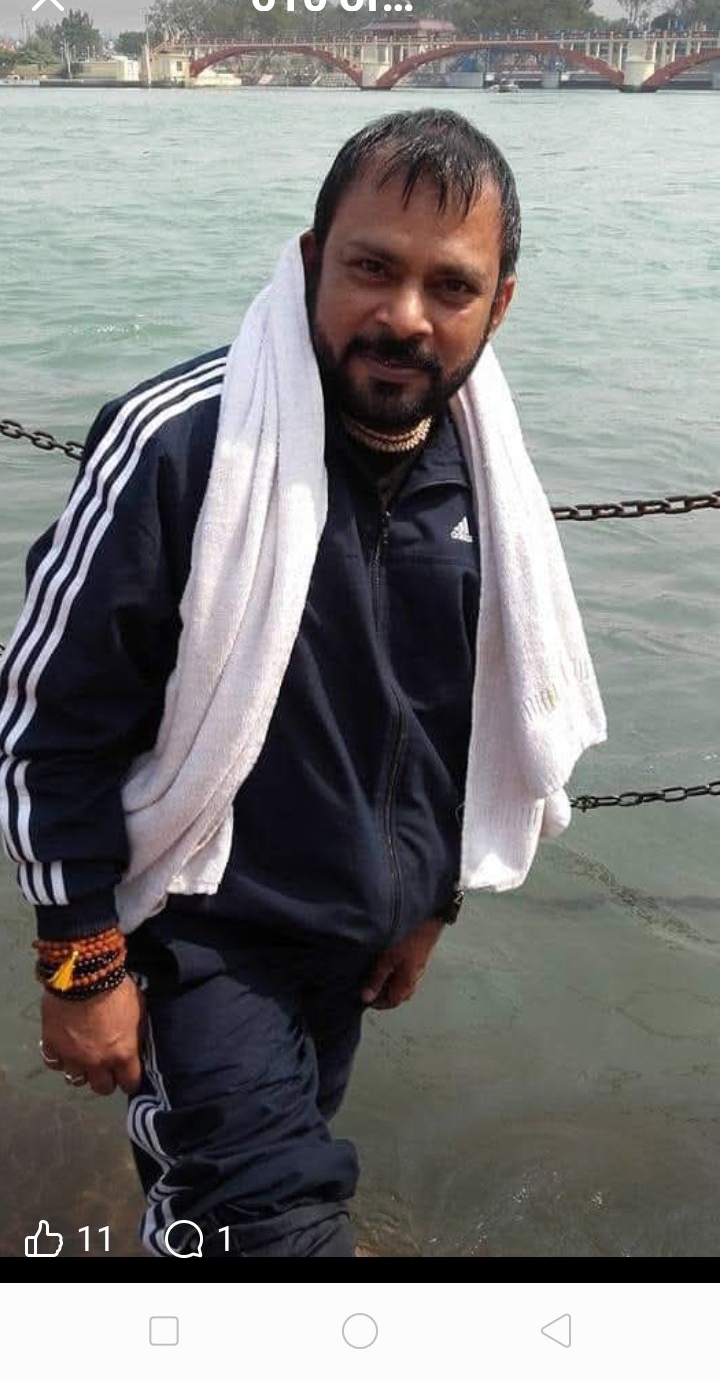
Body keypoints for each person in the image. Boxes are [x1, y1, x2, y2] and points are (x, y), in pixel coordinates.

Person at [0, 109, 606, 1258]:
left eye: (451, 285)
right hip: (198, 930)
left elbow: (461, 721)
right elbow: (47, 723)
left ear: (500, 306)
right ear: (313, 258)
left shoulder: (488, 483)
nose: (406, 315)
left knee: (236, 1190)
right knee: (267, 1221)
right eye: (372, 267)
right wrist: (80, 962)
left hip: (353, 943)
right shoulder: (182, 445)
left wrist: (431, 901)